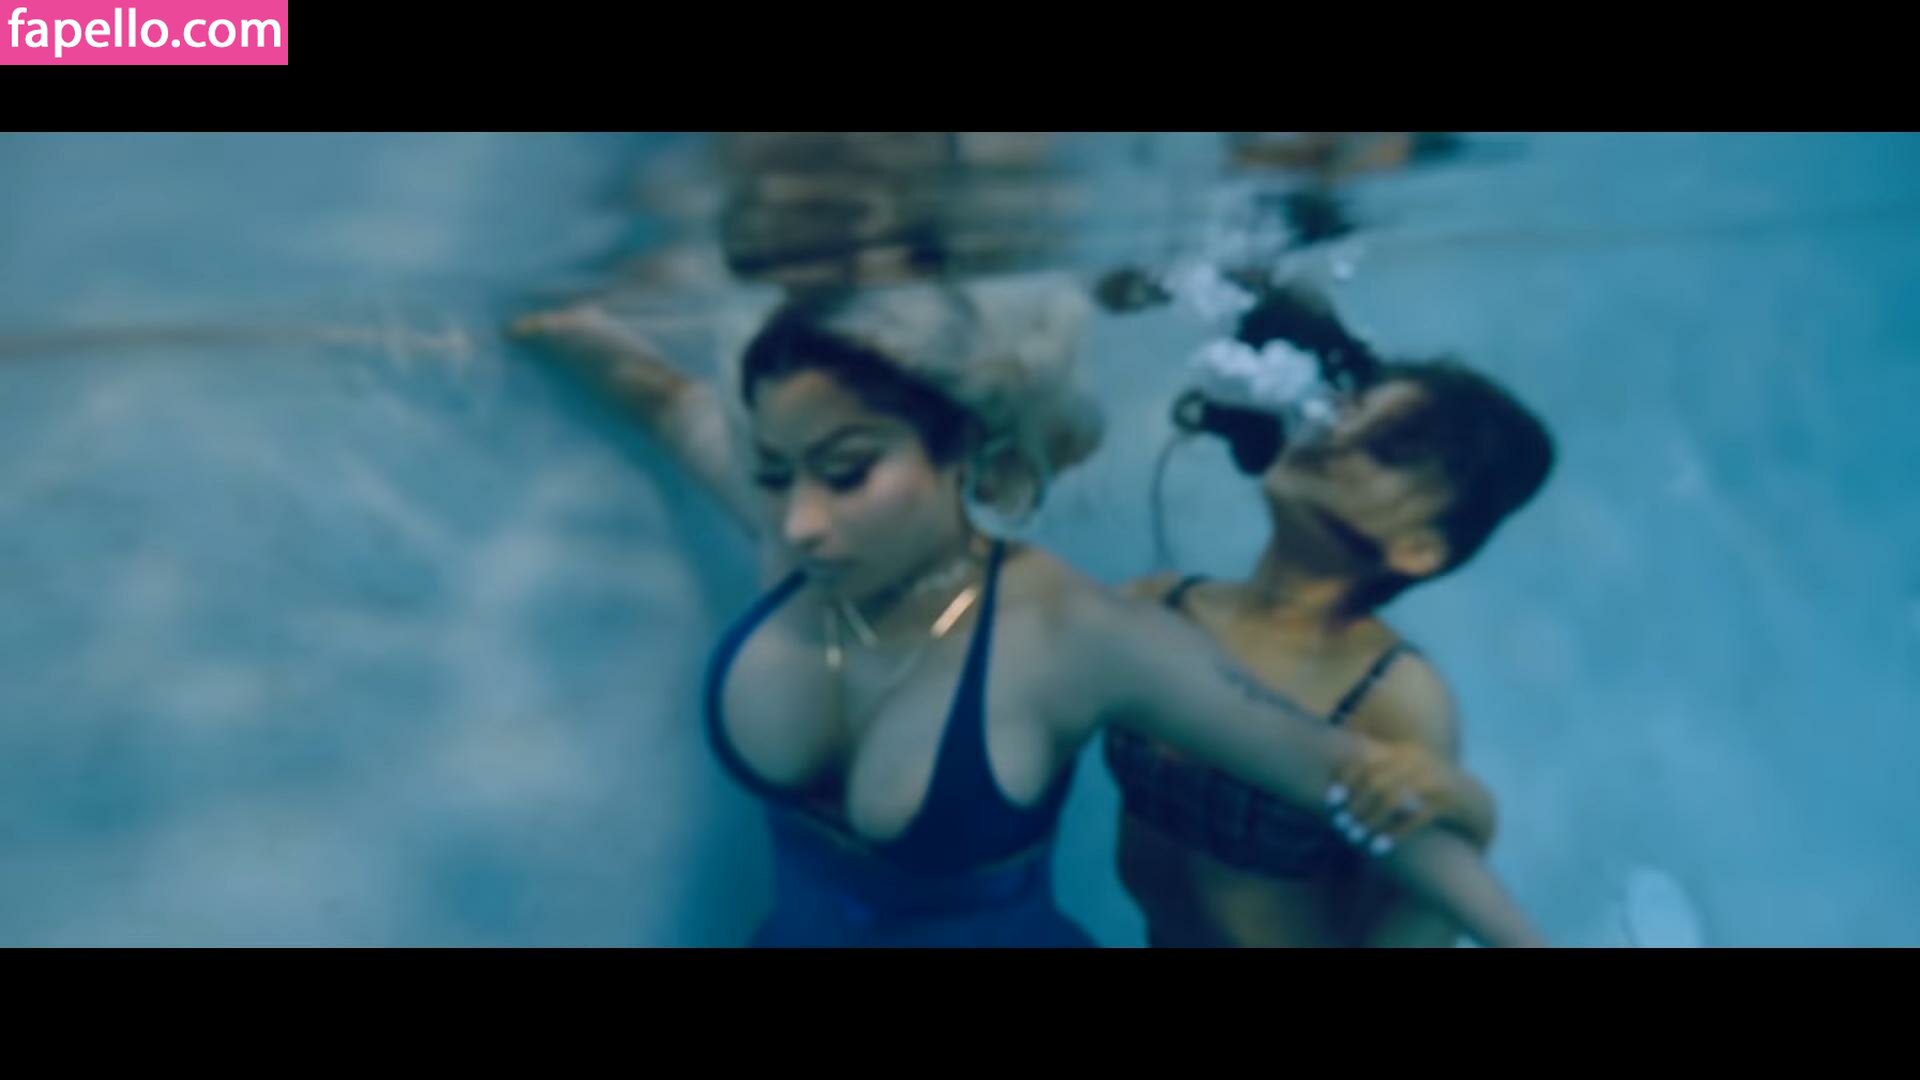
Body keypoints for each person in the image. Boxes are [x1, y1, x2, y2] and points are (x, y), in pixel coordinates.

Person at [509, 278, 1545, 947]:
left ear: (962, 446)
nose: (803, 519)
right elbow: (658, 398)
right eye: (775, 472)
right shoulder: (801, 526)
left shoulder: (1077, 632)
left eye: (849, 470)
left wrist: (1496, 874)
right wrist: (510, 317)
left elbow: (1340, 783)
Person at [1107, 281, 1555, 946]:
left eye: (1387, 448)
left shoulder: (1392, 695)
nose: (1334, 432)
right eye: (1346, 409)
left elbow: (1417, 911)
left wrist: (1471, 811)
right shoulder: (1157, 605)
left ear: (1419, 548)